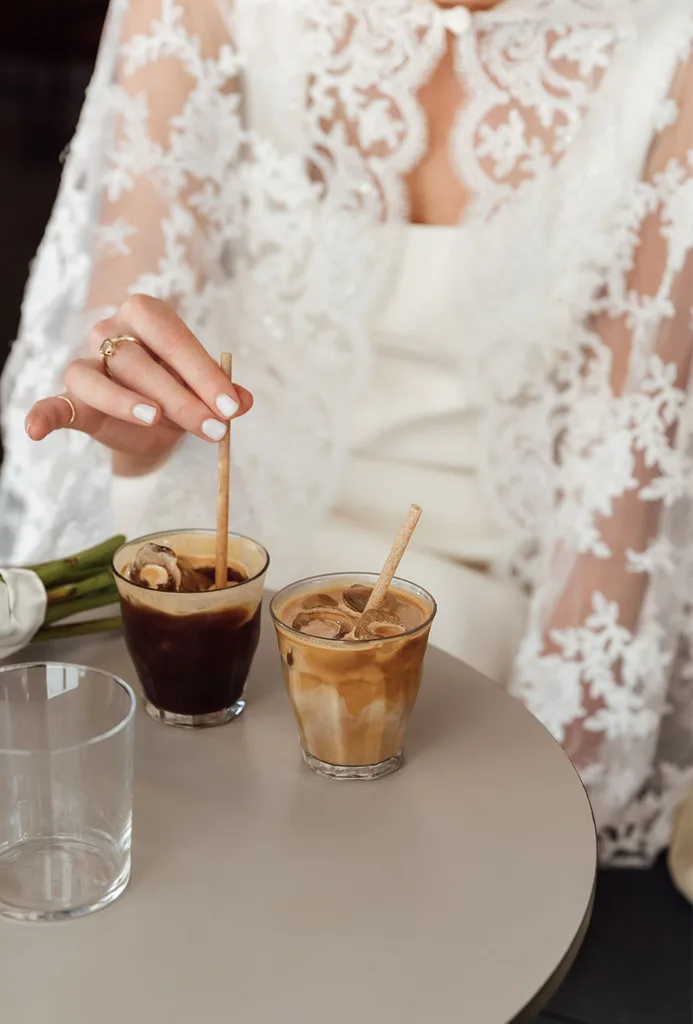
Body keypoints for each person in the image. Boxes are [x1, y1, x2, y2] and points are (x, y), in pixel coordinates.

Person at [0, 0, 692, 882]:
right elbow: (128, 372)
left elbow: (619, 497)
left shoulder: (670, 44)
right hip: (219, 564)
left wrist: (529, 820)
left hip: (471, 631)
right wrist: (134, 433)